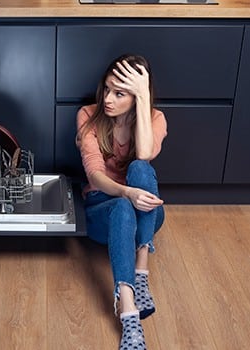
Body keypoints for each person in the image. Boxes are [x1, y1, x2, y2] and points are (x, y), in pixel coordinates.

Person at [76, 54, 167, 350]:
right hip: (103, 208)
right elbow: (95, 174)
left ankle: (141, 272)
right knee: (122, 205)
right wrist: (126, 193)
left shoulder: (155, 118)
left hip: (144, 210)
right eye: (106, 89)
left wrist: (143, 98)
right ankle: (129, 313)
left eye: (119, 93)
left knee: (141, 168)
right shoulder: (88, 115)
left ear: (139, 95)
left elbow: (144, 155)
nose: (107, 100)